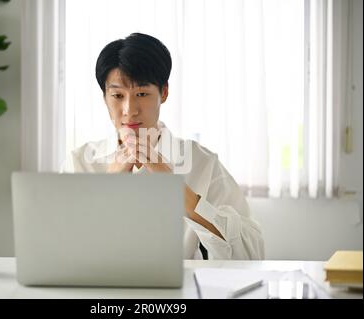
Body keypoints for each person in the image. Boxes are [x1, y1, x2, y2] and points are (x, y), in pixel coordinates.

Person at [65, 33, 264, 260]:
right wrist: (105, 189)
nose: (129, 110)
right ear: (104, 98)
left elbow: (251, 254)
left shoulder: (201, 163)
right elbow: (59, 248)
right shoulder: (79, 162)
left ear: (164, 93)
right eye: (118, 95)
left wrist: (184, 195)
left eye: (142, 94)